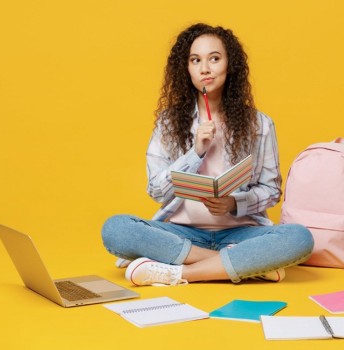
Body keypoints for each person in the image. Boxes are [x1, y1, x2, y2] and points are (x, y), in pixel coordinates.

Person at [101, 23, 313, 286]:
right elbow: (156, 191)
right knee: (116, 229)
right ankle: (239, 263)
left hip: (242, 234)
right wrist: (195, 152)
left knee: (300, 238)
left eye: (214, 58)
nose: (205, 68)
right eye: (195, 60)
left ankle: (180, 273)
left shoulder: (260, 124)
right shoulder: (168, 123)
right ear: (186, 68)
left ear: (229, 65)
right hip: (182, 235)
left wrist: (233, 203)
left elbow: (270, 190)